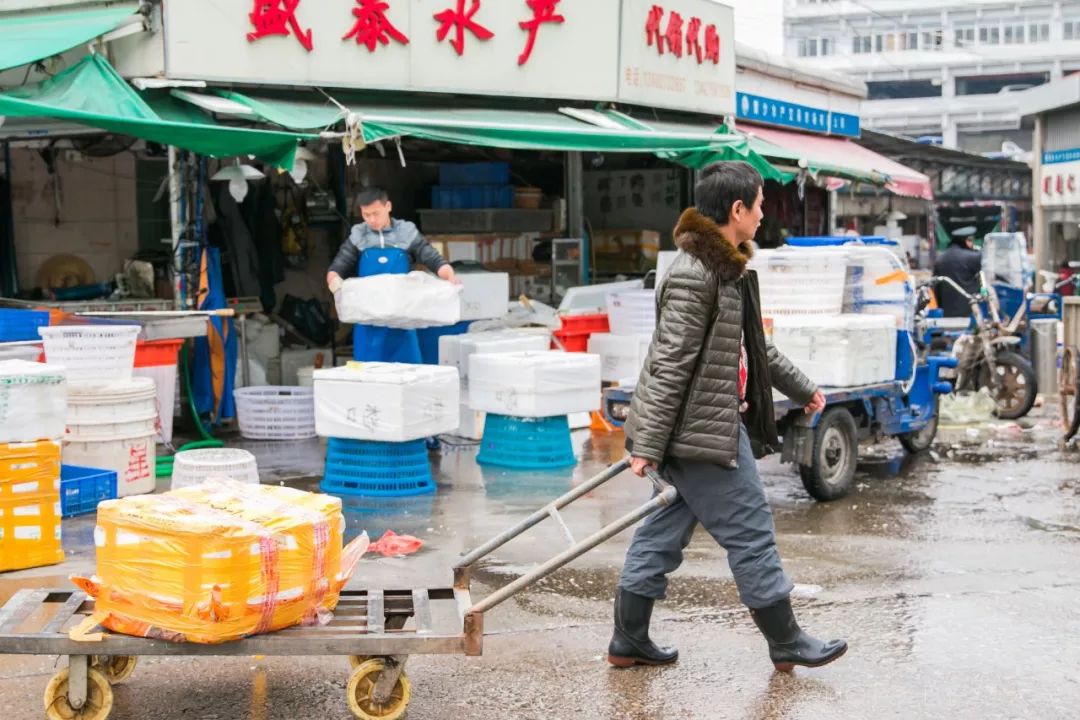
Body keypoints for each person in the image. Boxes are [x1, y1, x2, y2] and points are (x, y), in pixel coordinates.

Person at [609, 161, 847, 673]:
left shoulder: (722, 270)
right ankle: (786, 640)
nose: (764, 215)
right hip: (701, 431)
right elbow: (667, 362)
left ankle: (628, 640)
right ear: (736, 210)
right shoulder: (696, 276)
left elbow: (752, 349)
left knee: (661, 533)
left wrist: (803, 389)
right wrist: (645, 445)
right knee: (751, 529)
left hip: (694, 427)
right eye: (759, 205)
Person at [327, 187, 457, 363]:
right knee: (370, 376)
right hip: (368, 321)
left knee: (407, 373)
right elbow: (336, 269)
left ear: (388, 206)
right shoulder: (358, 236)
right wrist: (336, 285)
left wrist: (448, 274)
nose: (371, 220)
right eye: (366, 215)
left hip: (402, 319)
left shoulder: (406, 232)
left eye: (376, 213)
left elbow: (430, 257)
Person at [933, 229, 982, 318]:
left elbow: (936, 288)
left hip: (946, 314)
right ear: (965, 241)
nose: (972, 244)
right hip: (970, 314)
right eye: (970, 240)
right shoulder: (972, 257)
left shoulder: (940, 259)